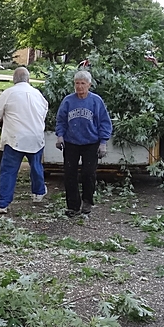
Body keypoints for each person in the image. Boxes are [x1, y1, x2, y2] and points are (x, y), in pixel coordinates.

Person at [54, 69, 113, 217]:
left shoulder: (96, 101)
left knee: (88, 173)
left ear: (89, 85)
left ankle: (87, 201)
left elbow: (105, 123)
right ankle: (73, 206)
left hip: (90, 142)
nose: (79, 86)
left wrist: (103, 142)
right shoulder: (68, 100)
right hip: (71, 142)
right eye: (77, 83)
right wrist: (60, 136)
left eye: (82, 83)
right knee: (70, 174)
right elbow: (60, 120)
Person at [0, 66, 49, 213]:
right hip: (35, 136)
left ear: (13, 79)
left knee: (9, 170)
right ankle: (38, 193)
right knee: (36, 166)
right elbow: (44, 111)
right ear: (28, 79)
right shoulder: (37, 94)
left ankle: (3, 203)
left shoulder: (8, 93)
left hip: (15, 137)